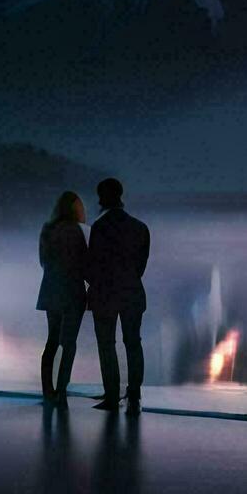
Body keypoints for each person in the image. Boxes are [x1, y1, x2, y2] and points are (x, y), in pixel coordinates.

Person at [86, 177, 150, 414]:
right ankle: (134, 394)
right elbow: (141, 267)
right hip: (133, 292)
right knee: (133, 343)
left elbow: (92, 265)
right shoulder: (140, 227)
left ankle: (111, 396)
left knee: (107, 345)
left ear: (103, 198)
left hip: (106, 294)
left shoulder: (100, 228)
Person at [36, 190, 88, 405]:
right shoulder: (77, 231)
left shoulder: (47, 230)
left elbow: (43, 261)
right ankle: (61, 390)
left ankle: (48, 390)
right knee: (69, 344)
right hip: (72, 292)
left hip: (51, 289)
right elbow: (85, 262)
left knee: (52, 341)